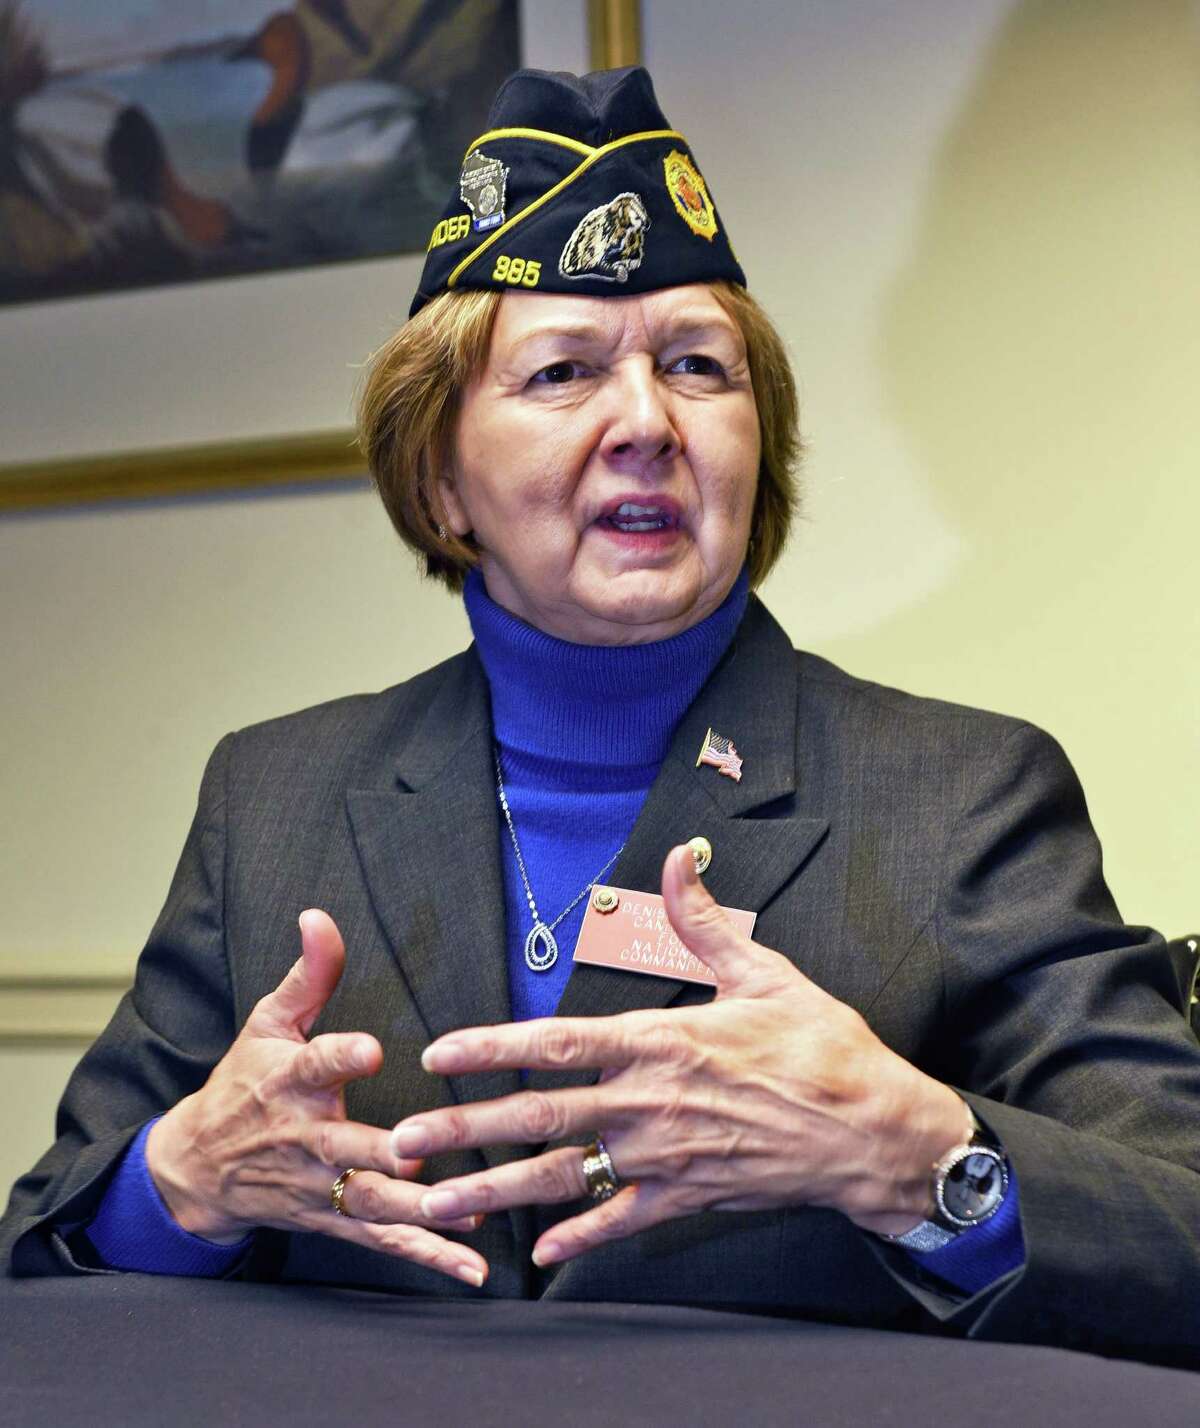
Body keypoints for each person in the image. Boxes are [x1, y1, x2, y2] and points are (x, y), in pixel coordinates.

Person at [3, 66, 1199, 1369]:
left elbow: (1180, 1237)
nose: (649, 423)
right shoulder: (274, 791)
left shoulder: (965, 794)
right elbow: (48, 1248)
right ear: (441, 477)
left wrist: (921, 1157)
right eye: (565, 371)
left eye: (698, 365)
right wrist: (182, 1181)